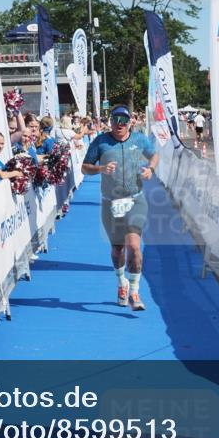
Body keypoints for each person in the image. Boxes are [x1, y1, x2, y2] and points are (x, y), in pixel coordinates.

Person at [82, 105, 159, 312]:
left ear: (130, 122)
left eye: (124, 121)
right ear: (111, 122)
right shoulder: (101, 142)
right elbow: (85, 167)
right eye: (116, 120)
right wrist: (100, 168)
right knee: (118, 249)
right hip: (111, 202)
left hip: (135, 200)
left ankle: (134, 290)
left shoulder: (139, 139)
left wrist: (151, 169)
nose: (119, 124)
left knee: (134, 246)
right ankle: (121, 283)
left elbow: (154, 155)